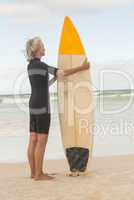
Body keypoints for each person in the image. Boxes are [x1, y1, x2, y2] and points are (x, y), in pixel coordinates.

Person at [26, 37, 90, 181]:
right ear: (37, 50)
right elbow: (63, 72)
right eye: (42, 46)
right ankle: (39, 174)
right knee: (41, 141)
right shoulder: (42, 66)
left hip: (33, 104)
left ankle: (33, 172)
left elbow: (42, 85)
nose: (44, 48)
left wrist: (54, 79)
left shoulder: (31, 66)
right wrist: (82, 67)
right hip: (42, 106)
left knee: (33, 139)